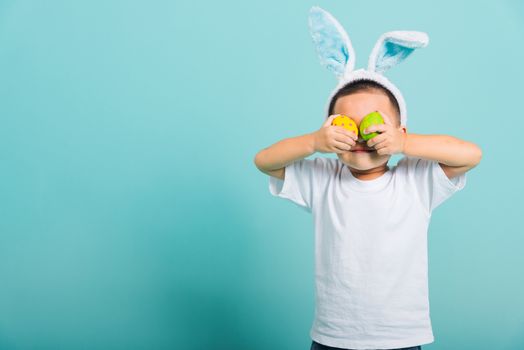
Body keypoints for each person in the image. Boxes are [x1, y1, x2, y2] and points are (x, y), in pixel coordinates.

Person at [254, 77, 481, 349]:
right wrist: (313, 142)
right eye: (347, 124)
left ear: (399, 132)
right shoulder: (322, 179)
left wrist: (404, 143)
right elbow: (264, 161)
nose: (361, 135)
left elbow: (470, 154)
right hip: (333, 336)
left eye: (374, 124)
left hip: (401, 336)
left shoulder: (416, 180)